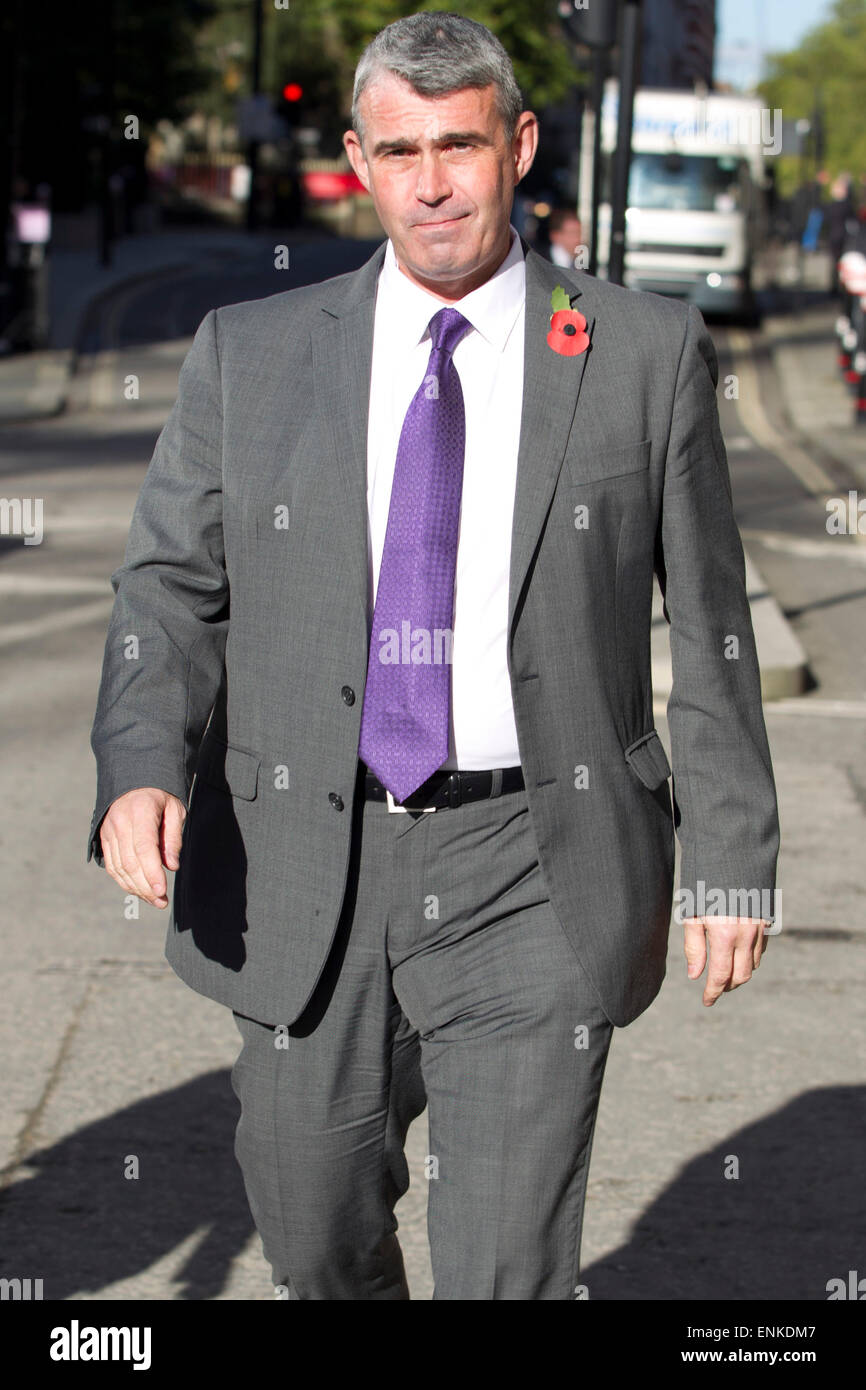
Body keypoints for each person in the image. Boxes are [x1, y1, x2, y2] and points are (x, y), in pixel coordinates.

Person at [87, 11, 779, 1301]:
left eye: (458, 144)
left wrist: (731, 862)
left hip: (536, 860)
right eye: (399, 150)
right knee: (312, 1232)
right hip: (309, 853)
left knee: (506, 1264)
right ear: (359, 159)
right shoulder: (253, 355)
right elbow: (169, 591)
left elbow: (713, 626)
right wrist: (142, 764)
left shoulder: (639, 353)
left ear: (516, 145)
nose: (432, 182)